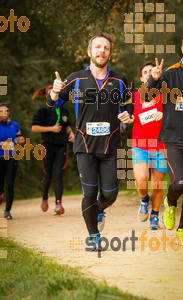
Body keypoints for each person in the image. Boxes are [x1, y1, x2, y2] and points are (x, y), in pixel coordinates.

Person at [47, 33, 134, 251]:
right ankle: (93, 237)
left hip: (110, 146)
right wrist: (55, 93)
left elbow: (129, 105)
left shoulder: (120, 80)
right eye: (97, 47)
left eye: (105, 48)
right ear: (89, 52)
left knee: (110, 194)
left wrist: (128, 115)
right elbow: (51, 105)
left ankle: (100, 207)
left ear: (110, 54)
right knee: (89, 193)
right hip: (84, 146)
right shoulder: (75, 79)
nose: (101, 51)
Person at [146, 31, 183, 245]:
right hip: (174, 139)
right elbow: (147, 95)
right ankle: (170, 200)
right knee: (180, 182)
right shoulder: (169, 73)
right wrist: (154, 79)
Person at [131, 61, 167, 230]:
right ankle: (144, 199)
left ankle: (154, 215)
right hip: (140, 144)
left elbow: (176, 117)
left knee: (158, 184)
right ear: (141, 77)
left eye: (151, 71)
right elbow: (125, 115)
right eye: (145, 72)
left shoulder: (165, 95)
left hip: (161, 145)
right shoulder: (134, 96)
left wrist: (164, 115)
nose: (148, 74)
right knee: (141, 178)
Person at [32, 85, 75, 215]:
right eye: (51, 93)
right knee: (48, 174)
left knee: (59, 174)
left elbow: (66, 126)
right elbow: (34, 128)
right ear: (46, 96)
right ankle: (45, 197)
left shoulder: (64, 110)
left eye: (56, 92)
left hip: (61, 145)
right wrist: (51, 129)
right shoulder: (42, 111)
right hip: (47, 145)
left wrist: (71, 133)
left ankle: (58, 204)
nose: (54, 95)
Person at [0, 102, 25, 219]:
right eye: (2, 111)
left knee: (10, 184)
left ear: (9, 112)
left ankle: (7, 211)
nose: (4, 113)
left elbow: (17, 138)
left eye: (6, 111)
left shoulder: (14, 125)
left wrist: (20, 140)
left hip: (11, 157)